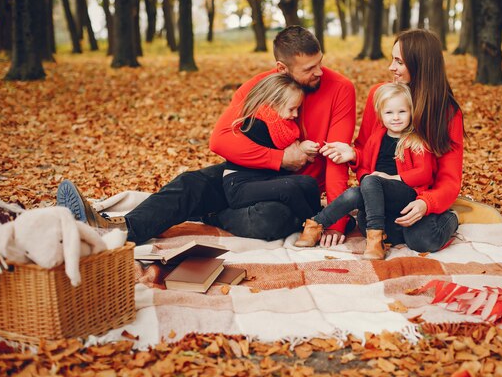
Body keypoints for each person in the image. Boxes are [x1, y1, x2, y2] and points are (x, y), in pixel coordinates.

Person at [57, 26, 356, 244]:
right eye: (309, 68)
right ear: (281, 68)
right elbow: (221, 140)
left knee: (270, 218)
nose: (320, 72)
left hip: (291, 189)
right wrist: (280, 158)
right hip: (248, 173)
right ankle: (116, 229)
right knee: (190, 183)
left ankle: (212, 214)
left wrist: (336, 222)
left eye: (320, 62)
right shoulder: (261, 86)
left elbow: (336, 158)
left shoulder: (340, 88)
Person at [319, 29, 502, 251]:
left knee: (422, 240)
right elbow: (366, 150)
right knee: (370, 225)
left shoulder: (446, 112)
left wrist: (427, 203)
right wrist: (357, 160)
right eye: (392, 59)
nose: (391, 67)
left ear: (420, 65)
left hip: (420, 195)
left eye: (399, 61)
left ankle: (453, 216)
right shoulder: (380, 95)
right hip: (384, 195)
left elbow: (449, 179)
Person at [295, 83, 435, 259]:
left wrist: (392, 177)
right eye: (389, 113)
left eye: (402, 112)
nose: (396, 118)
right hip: (375, 193)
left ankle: (375, 240)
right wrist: (368, 179)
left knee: (370, 181)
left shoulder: (416, 140)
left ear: (411, 112)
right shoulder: (376, 138)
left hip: (404, 193)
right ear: (381, 116)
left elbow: (424, 173)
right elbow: (364, 168)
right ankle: (315, 225)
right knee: (355, 193)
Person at [221, 73, 321, 223]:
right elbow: (285, 154)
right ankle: (314, 224)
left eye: (298, 109)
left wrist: (301, 148)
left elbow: (289, 153)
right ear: (273, 103)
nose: (295, 114)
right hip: (239, 186)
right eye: (292, 109)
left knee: (309, 183)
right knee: (288, 188)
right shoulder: (256, 124)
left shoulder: (281, 127)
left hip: (263, 178)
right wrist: (299, 150)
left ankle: (319, 215)